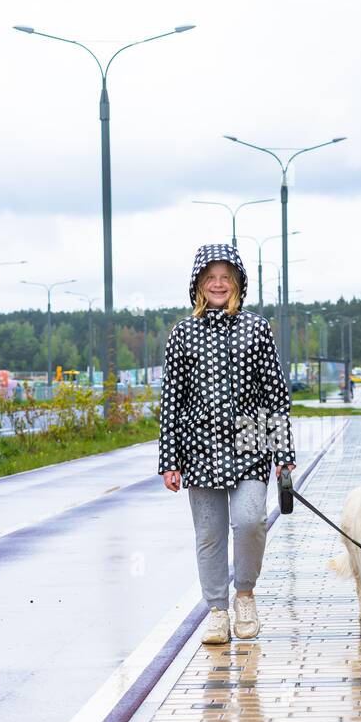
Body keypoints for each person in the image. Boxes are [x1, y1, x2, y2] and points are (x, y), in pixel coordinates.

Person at [158, 244, 296, 644]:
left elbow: (274, 394)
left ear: (237, 283)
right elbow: (171, 399)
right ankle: (217, 611)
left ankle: (245, 596)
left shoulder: (256, 328)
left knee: (250, 520)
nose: (218, 284)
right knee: (209, 533)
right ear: (199, 285)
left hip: (249, 439)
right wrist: (170, 458)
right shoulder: (183, 333)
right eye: (210, 278)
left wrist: (283, 455)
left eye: (226, 277)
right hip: (197, 444)